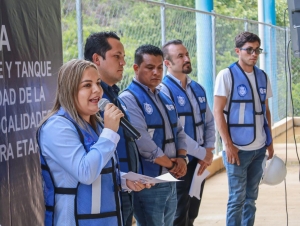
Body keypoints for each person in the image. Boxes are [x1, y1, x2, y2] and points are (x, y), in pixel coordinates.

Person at [37, 59, 149, 226]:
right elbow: (86, 172)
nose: (97, 90)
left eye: (98, 83)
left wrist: (124, 180)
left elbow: (99, 169)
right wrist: (110, 132)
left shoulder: (97, 125)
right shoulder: (57, 127)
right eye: (87, 85)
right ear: (70, 90)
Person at [119, 44, 188, 226]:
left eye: (159, 68)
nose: (156, 72)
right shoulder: (128, 98)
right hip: (148, 183)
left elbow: (179, 131)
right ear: (136, 68)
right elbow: (142, 141)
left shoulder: (163, 97)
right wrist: (172, 164)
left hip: (170, 178)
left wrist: (182, 158)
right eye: (150, 68)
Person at [214, 31, 274, 226]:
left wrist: (269, 141)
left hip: (258, 149)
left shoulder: (263, 76)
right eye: (249, 50)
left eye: (257, 50)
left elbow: (265, 110)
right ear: (238, 51)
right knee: (236, 199)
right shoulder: (227, 75)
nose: (254, 54)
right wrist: (228, 145)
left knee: (251, 198)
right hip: (237, 149)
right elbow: (217, 112)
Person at [84, 31, 140, 226]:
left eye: (124, 57)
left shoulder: (114, 96)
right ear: (97, 59)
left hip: (125, 185)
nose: (123, 62)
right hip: (104, 194)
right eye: (117, 56)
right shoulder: (90, 105)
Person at [159, 39, 215, 226]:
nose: (186, 59)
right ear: (167, 63)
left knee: (192, 210)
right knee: (178, 212)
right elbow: (177, 131)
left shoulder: (197, 88)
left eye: (187, 54)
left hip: (199, 161)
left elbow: (208, 121)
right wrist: (203, 154)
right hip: (179, 162)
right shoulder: (163, 91)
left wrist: (209, 148)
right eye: (180, 56)